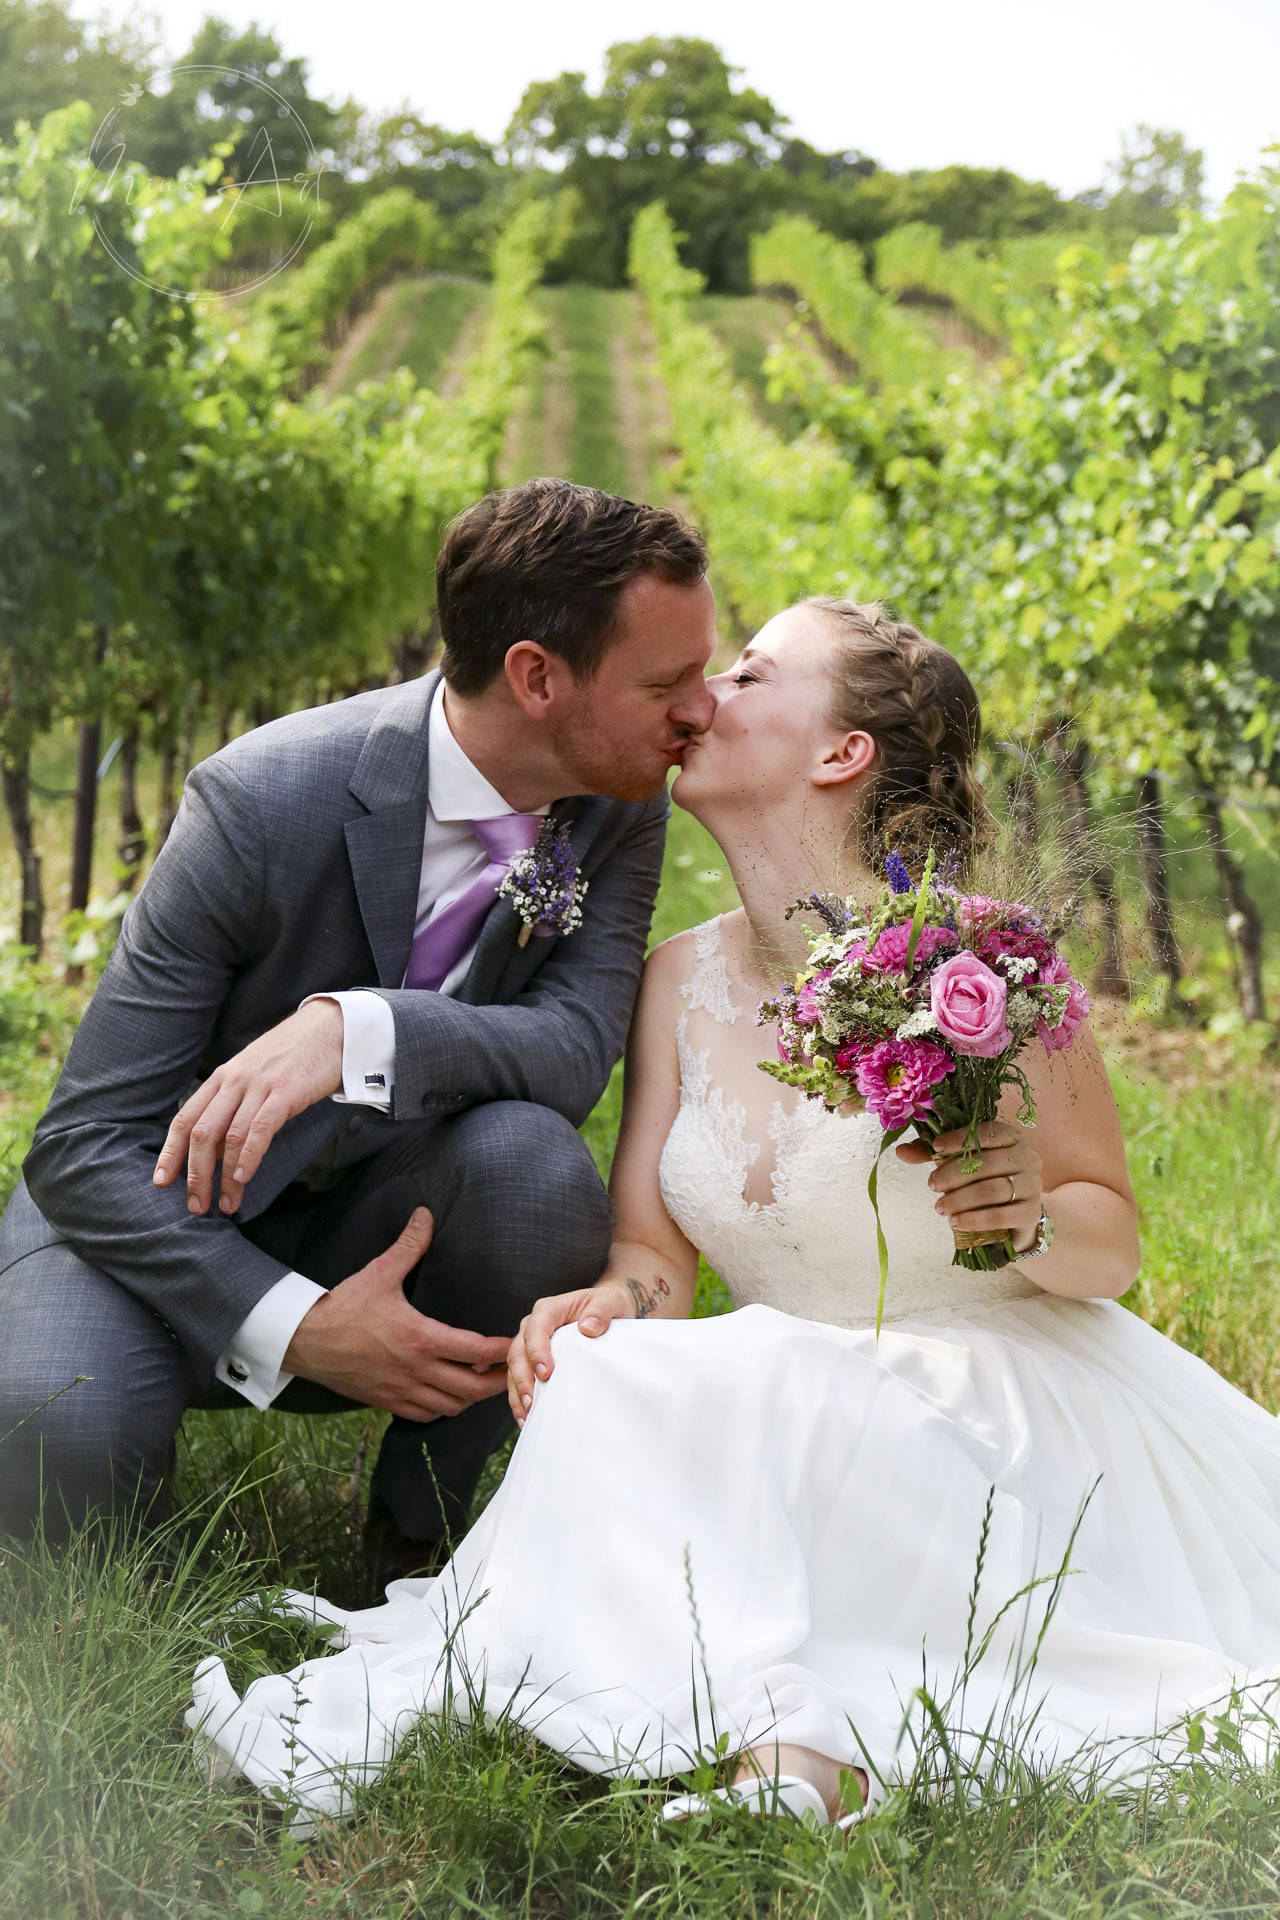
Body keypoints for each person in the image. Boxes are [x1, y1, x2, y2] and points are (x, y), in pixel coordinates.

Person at [191, 598, 1280, 1830]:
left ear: (839, 753)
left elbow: (1109, 1238)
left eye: (753, 673)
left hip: (990, 1406)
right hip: (797, 1399)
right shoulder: (678, 979)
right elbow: (656, 1257)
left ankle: (798, 1755)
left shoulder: (985, 959)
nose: (706, 694)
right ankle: (786, 1754)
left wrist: (1025, 1216)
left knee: (759, 1377)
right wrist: (604, 1306)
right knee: (615, 1375)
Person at [0, 480, 716, 1570]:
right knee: (61, 1445)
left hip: (386, 1209)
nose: (701, 710)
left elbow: (573, 1050)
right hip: (151, 1223)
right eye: (667, 680)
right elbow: (80, 1147)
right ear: (535, 677)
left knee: (538, 1172)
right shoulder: (259, 801)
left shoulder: (619, 804)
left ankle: (413, 1541)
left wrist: (363, 1029)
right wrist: (295, 1322)